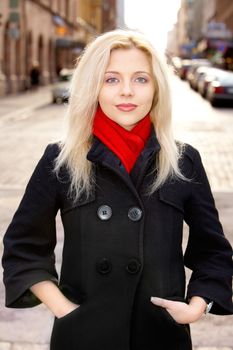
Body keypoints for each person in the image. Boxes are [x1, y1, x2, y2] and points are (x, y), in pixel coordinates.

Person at [2, 29, 233, 350]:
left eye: (140, 79)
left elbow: (214, 252)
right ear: (92, 86)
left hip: (160, 336)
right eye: (111, 79)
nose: (127, 91)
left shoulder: (183, 161)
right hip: (83, 337)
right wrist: (63, 309)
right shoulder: (61, 159)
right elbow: (22, 247)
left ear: (157, 88)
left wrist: (196, 308)